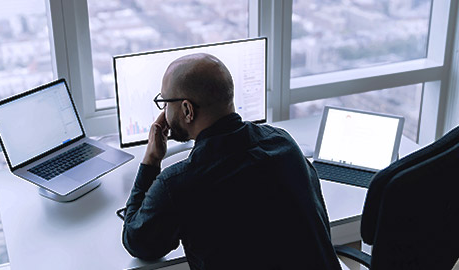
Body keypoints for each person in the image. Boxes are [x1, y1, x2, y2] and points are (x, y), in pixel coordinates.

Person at [122, 53, 341, 269]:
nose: (164, 110)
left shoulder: (179, 183)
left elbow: (138, 241)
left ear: (187, 110)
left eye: (165, 102)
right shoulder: (283, 143)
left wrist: (151, 161)